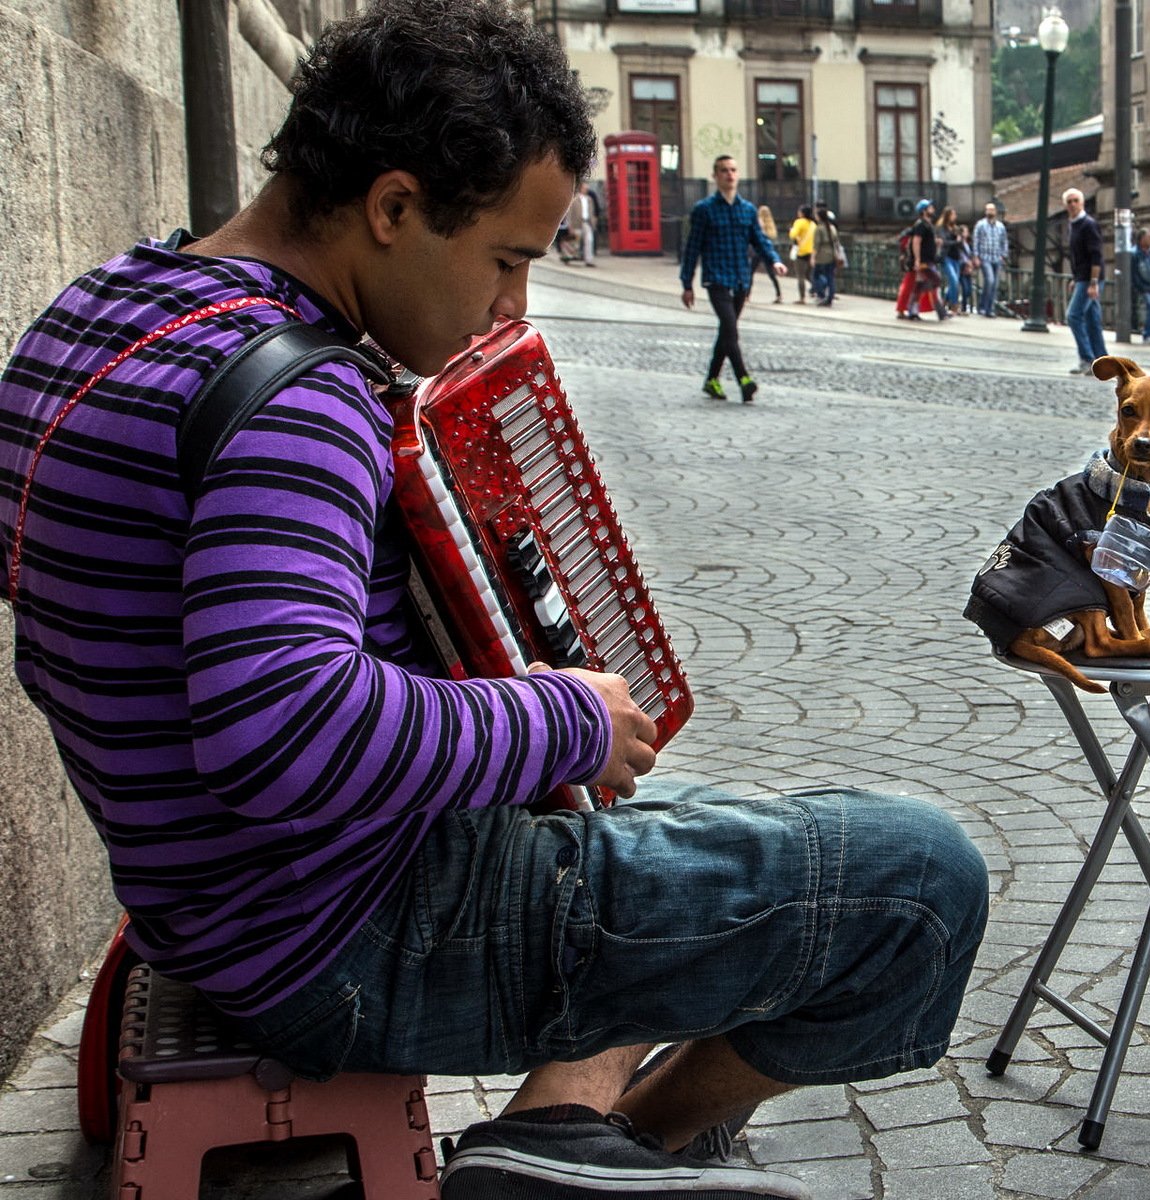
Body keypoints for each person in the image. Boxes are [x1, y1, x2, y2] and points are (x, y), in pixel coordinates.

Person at [0, 4, 989, 1199]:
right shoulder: (299, 401)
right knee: (923, 882)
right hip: (346, 936)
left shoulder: (105, 309)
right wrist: (556, 717)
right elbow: (281, 731)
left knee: (707, 825)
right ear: (393, 207)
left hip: (210, 905)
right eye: (507, 260)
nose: (512, 309)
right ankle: (624, 1145)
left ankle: (560, 1129)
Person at [684, 157, 786, 402]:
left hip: (741, 279)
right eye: (724, 170)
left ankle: (711, 380)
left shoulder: (748, 210)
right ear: (715, 176)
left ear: (737, 175)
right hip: (716, 278)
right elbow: (692, 248)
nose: (729, 174)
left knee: (726, 331)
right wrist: (687, 284)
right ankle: (744, 379)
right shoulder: (704, 209)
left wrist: (774, 260)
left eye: (733, 170)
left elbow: (760, 240)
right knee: (730, 327)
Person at [1063, 188, 1109, 374]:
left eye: (1076, 200)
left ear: (1081, 203)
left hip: (1090, 278)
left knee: (1073, 315)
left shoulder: (1088, 224)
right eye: (1069, 202)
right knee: (1092, 320)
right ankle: (1103, 362)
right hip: (1083, 277)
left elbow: (1096, 255)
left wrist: (1093, 282)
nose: (1073, 204)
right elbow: (1077, 256)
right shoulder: (1073, 225)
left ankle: (1087, 358)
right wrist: (1075, 278)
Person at [898, 198, 948, 321]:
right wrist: (917, 259)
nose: (933, 209)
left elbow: (925, 241)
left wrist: (935, 242)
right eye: (930, 208)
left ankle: (914, 310)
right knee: (935, 279)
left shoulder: (927, 224)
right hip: (923, 261)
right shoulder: (921, 224)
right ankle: (939, 311)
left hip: (928, 260)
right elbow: (916, 241)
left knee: (921, 284)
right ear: (924, 211)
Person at [971, 202, 1008, 317]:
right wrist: (976, 256)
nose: (990, 212)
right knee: (990, 280)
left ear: (995, 212)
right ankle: (983, 306)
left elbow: (1004, 241)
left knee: (995, 285)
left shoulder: (1001, 226)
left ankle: (990, 309)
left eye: (992, 210)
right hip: (985, 257)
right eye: (988, 210)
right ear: (985, 212)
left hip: (997, 257)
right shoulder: (980, 225)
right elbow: (976, 241)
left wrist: (1003, 255)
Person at [562, 178, 597, 266]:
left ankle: (589, 261)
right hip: (576, 223)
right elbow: (569, 213)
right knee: (574, 242)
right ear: (581, 188)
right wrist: (570, 225)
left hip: (587, 223)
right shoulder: (574, 198)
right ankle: (567, 257)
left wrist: (593, 222)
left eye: (587, 188)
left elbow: (592, 212)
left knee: (589, 240)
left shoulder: (589, 199)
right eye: (585, 188)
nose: (586, 189)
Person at [936, 207, 965, 312]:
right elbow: (944, 242)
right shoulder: (942, 228)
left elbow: (961, 243)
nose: (955, 217)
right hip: (947, 257)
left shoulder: (956, 229)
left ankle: (945, 301)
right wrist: (956, 241)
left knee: (954, 283)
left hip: (956, 257)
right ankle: (954, 305)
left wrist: (960, 240)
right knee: (953, 280)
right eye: (953, 215)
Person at [810, 208, 841, 306]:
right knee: (830, 276)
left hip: (821, 255)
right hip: (832, 254)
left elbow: (816, 244)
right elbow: (836, 242)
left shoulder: (819, 228)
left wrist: (813, 257)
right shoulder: (832, 228)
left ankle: (821, 293)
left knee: (816, 275)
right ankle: (830, 297)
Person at [755, 204, 784, 302]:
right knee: (771, 274)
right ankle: (779, 294)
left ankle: (747, 295)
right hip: (769, 250)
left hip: (758, 250)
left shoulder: (759, 221)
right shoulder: (771, 223)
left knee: (750, 271)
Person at [788, 204, 815, 303]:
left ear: (802, 213)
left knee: (801, 276)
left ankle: (802, 298)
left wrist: (791, 230)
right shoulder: (813, 224)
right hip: (811, 252)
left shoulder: (799, 222)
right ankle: (819, 289)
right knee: (809, 274)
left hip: (801, 251)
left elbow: (793, 235)